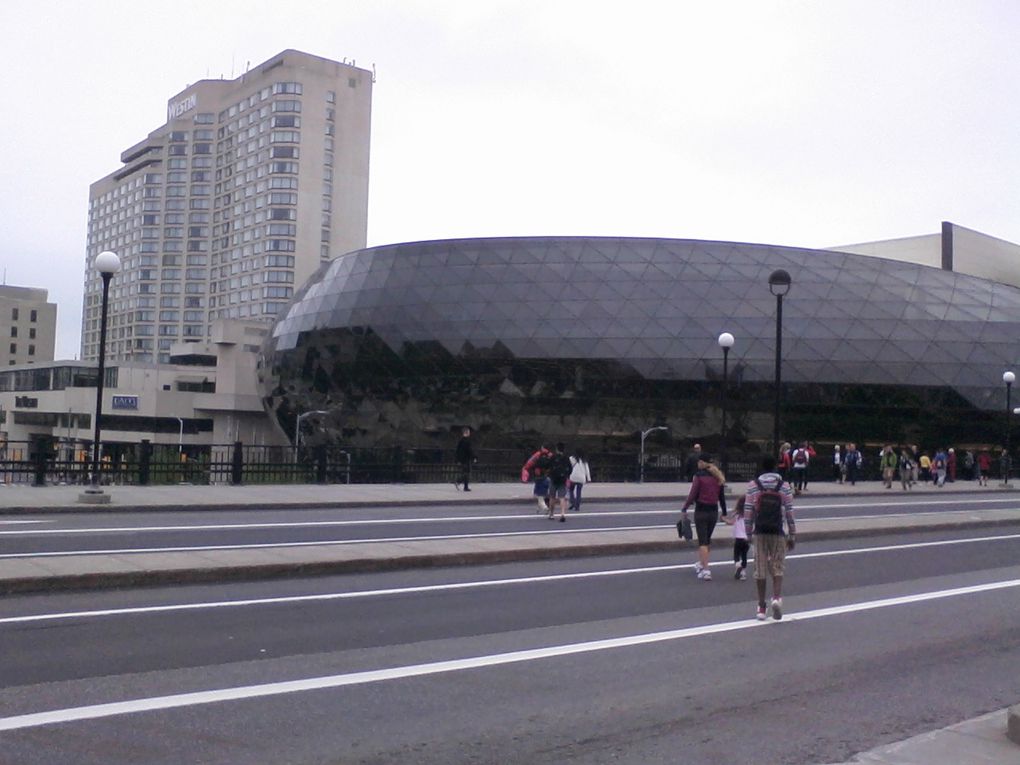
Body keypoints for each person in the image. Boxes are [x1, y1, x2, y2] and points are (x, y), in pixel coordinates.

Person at [745, 455, 796, 621]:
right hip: (777, 530)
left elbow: (748, 511)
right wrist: (792, 534)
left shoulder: (753, 486)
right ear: (775, 468)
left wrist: (747, 532)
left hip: (759, 531)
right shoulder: (784, 486)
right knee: (777, 566)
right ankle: (776, 598)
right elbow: (789, 511)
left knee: (760, 569)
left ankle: (761, 606)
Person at [680, 453, 727, 581]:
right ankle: (702, 563)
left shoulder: (699, 477)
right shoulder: (718, 477)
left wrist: (685, 507)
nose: (697, 464)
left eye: (699, 462)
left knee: (702, 541)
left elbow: (693, 494)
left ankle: (706, 570)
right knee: (707, 540)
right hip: (713, 512)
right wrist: (724, 512)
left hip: (701, 511)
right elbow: (721, 497)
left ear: (702, 463)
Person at [722, 493, 750, 580]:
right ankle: (743, 573)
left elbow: (730, 522)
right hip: (747, 539)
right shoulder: (750, 515)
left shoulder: (736, 515)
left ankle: (738, 565)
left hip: (738, 538)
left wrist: (724, 519)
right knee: (744, 555)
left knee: (736, 554)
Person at [521, 444, 554, 513]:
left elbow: (529, 463)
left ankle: (545, 508)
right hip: (548, 477)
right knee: (542, 493)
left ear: (542, 447)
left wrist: (525, 469)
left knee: (539, 495)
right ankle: (538, 509)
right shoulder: (551, 455)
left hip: (539, 477)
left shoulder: (538, 454)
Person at [545, 442, 573, 522]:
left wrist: (549, 475)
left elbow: (548, 466)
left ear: (556, 449)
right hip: (563, 480)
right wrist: (566, 475)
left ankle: (551, 514)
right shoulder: (566, 458)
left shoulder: (553, 457)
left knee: (552, 498)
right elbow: (570, 469)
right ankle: (562, 514)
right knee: (562, 498)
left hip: (553, 479)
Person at [454, 427, 476, 491]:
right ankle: (458, 482)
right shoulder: (467, 441)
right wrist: (474, 457)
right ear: (466, 433)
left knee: (465, 472)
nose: (470, 433)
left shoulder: (460, 441)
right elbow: (469, 450)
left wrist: (457, 459)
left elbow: (457, 450)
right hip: (466, 459)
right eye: (469, 432)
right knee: (466, 473)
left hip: (461, 459)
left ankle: (465, 487)